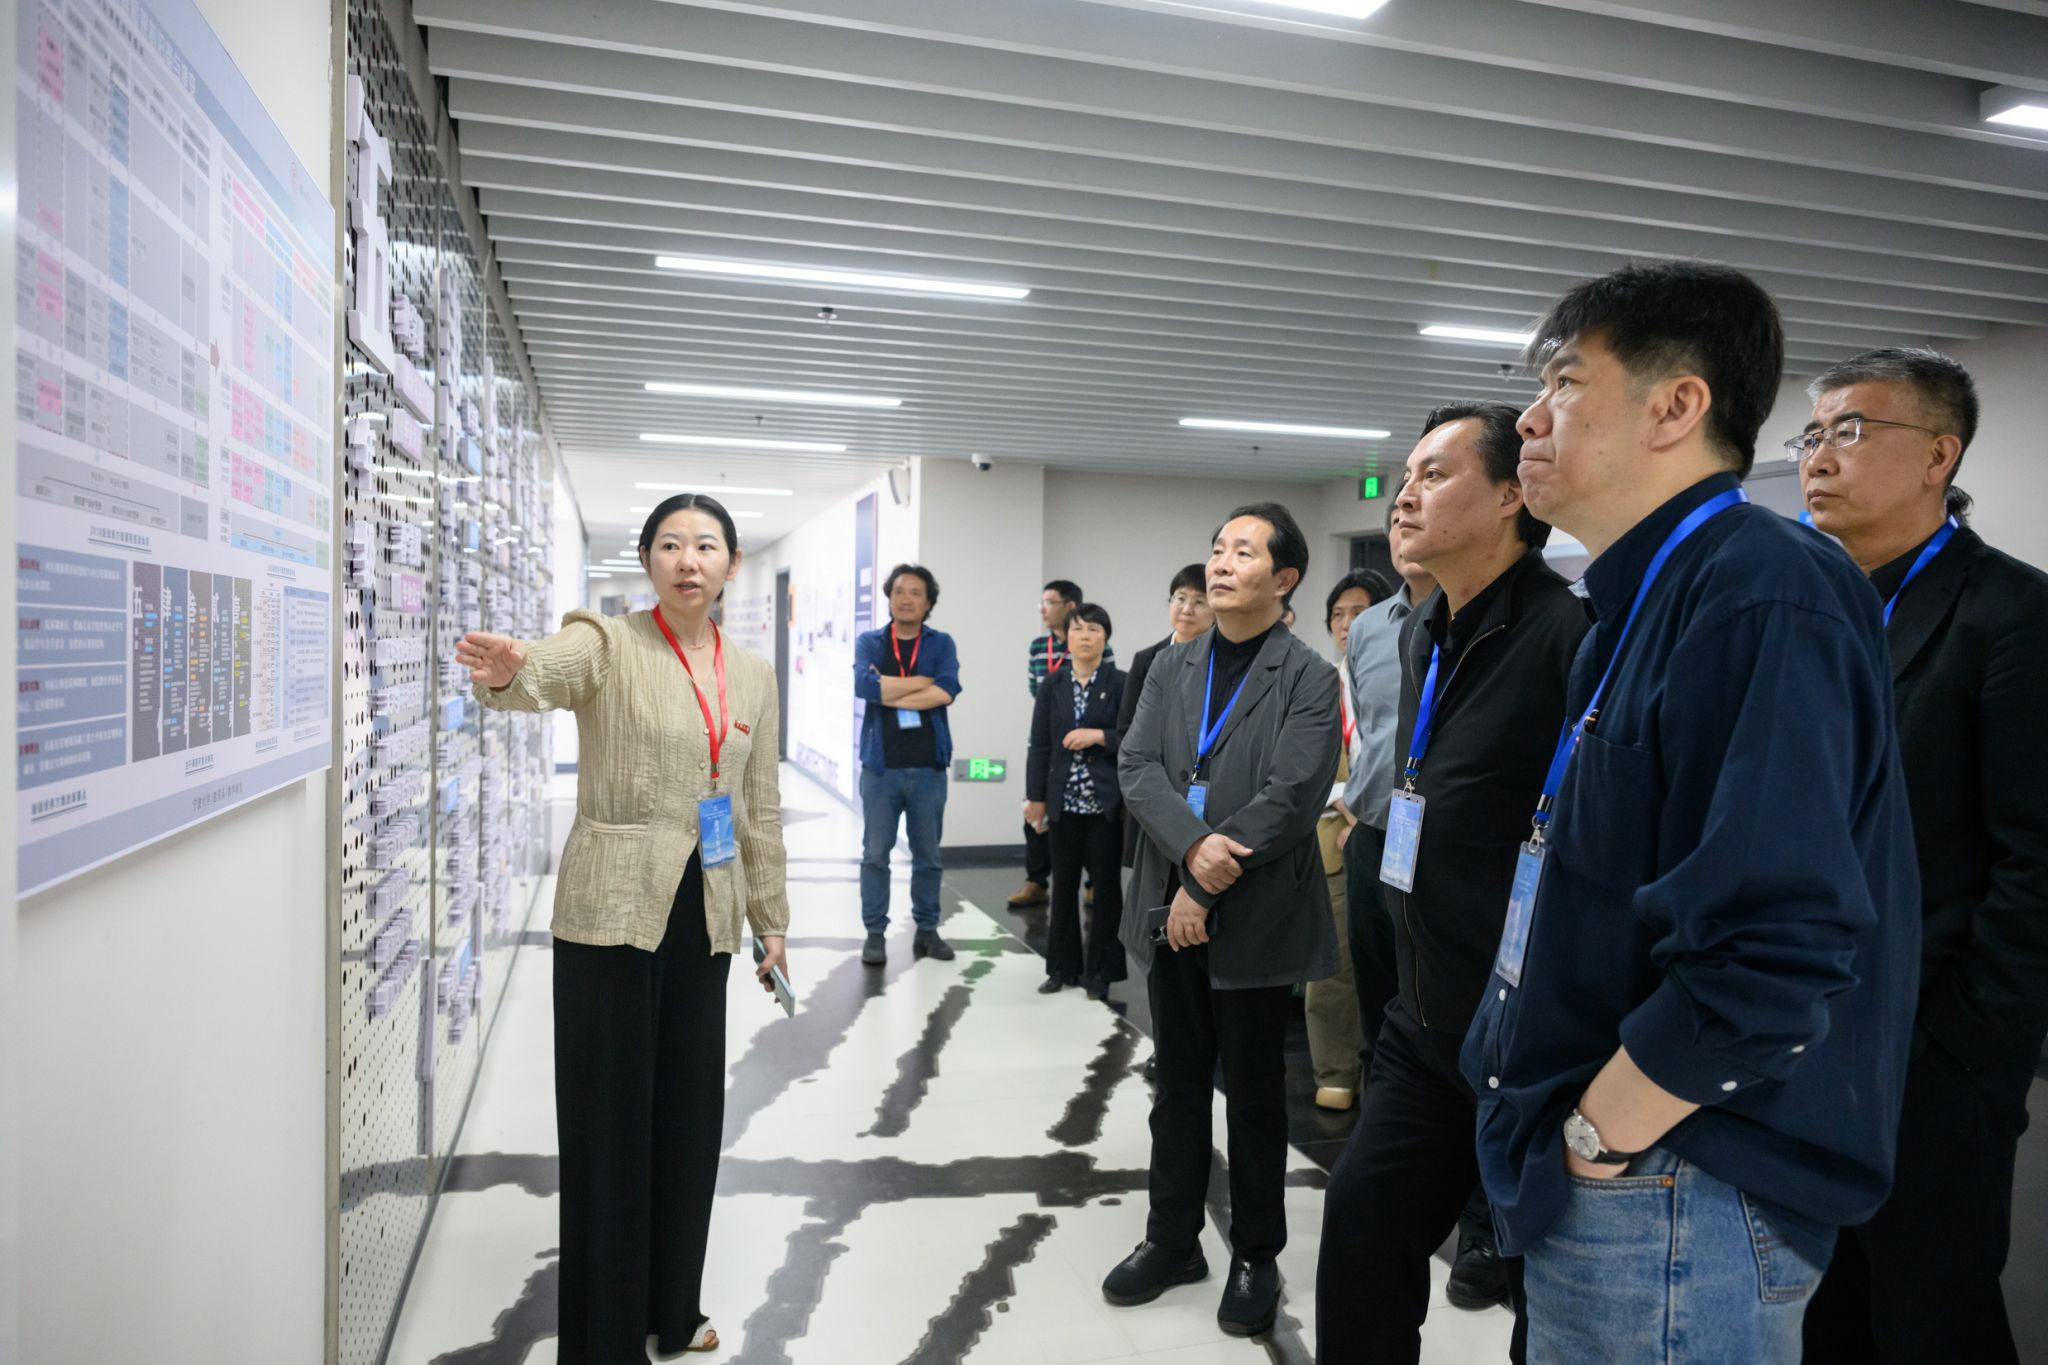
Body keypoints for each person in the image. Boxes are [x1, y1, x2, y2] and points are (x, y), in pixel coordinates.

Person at [1467, 261, 1920, 1364]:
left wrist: (1598, 1135)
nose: (1529, 418)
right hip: (1621, 1170)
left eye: (1565, 383)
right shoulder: (1637, 602)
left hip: (1678, 1178)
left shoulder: (1762, 588)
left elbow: (1774, 944)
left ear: (1675, 406)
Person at [457, 492, 791, 1362]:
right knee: (609, 1125)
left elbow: (758, 805)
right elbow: (548, 670)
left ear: (731, 563)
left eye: (706, 545)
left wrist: (771, 919)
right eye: (670, 544)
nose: (689, 559)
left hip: (704, 913)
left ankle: (671, 1308)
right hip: (611, 913)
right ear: (647, 560)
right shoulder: (609, 642)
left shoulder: (752, 673)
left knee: (688, 1117)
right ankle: (603, 1337)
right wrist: (512, 668)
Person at [1317, 403, 1589, 1363]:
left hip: (1528, 1029)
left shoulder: (1569, 636)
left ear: (1512, 494)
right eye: (1405, 476)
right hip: (1424, 1018)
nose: (1405, 495)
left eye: (1434, 474)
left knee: (1539, 1284)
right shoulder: (1423, 629)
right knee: (1361, 1229)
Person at [1794, 349, 2048, 1365]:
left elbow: (2035, 860)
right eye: (1811, 434)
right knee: (1820, 1307)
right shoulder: (1810, 609)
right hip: (1806, 1029)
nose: (1819, 457)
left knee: (1930, 1310)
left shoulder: (2010, 615)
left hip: (1931, 1045)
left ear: (1939, 455)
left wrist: (1960, 1041)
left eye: (1850, 432)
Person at [1103, 503, 1341, 1340]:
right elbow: (1137, 764)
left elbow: (1293, 795)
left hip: (1253, 911)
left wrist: (1204, 882)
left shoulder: (1308, 676)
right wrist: (1192, 850)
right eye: (1216, 548)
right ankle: (1172, 1238)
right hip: (1170, 902)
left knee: (1254, 1091)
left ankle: (1255, 1253)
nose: (1221, 563)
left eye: (1243, 551)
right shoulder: (1171, 663)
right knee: (1176, 1082)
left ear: (1285, 578)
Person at [1342, 505, 1436, 1083]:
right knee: (1372, 977)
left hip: (1439, 841)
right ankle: (1377, 1088)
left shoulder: (1473, 617)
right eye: (1397, 524)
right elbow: (1368, 726)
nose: (1405, 533)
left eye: (1417, 519)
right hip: (1374, 831)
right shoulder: (1369, 627)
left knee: (1428, 983)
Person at [1307, 568, 1390, 1113]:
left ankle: (1387, 1071)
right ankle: (1336, 1068)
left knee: (1393, 960)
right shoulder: (1319, 684)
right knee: (1334, 960)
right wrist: (1350, 803)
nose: (1345, 624)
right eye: (1337, 615)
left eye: (1358, 613)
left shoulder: (1404, 672)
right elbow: (1297, 768)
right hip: (1334, 831)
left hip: (1395, 833)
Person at [852, 564, 961, 966]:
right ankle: (874, 933)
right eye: (899, 591)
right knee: (875, 855)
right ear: (889, 597)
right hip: (881, 770)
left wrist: (888, 689)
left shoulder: (941, 643)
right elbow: (864, 686)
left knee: (928, 856)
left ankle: (927, 930)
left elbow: (947, 690)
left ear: (928, 602)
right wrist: (921, 682)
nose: (906, 599)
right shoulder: (871, 641)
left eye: (915, 592)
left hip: (929, 769)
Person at [1025, 603, 1129, 999]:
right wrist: (1035, 797)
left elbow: (1135, 736)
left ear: (1106, 638)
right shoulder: (1052, 685)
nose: (1085, 636)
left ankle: (1101, 972)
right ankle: (1061, 967)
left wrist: (1099, 736)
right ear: (1066, 637)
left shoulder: (1121, 683)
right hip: (1063, 804)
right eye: (1078, 629)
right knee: (1063, 887)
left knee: (1106, 890)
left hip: (1105, 807)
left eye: (1094, 629)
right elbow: (1039, 745)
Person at [1011, 579, 1109, 908]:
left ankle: (1094, 882)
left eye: (1050, 602)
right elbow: (1034, 689)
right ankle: (1036, 881)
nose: (1043, 609)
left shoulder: (1097, 643)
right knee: (1035, 811)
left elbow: (1103, 691)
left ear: (1069, 607)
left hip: (1088, 746)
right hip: (1048, 739)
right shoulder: (1038, 646)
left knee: (1092, 819)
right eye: (1042, 603)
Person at [1120, 564, 1213, 868]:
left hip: (1206, 786)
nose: (1187, 609)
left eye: (1199, 601)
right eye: (1180, 598)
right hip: (1155, 785)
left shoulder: (1221, 661)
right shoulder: (1147, 659)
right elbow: (1127, 728)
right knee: (1151, 876)